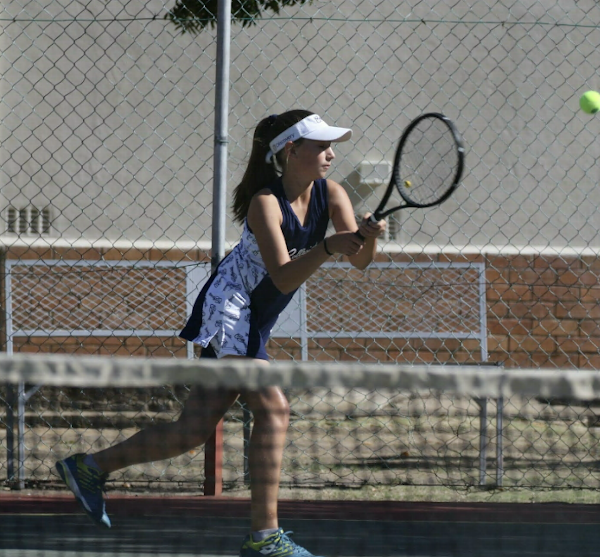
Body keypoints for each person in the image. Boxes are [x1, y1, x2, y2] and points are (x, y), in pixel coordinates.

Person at [55, 110, 386, 557]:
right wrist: (328, 246)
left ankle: (90, 467)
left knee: (191, 430)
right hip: (231, 309)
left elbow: (360, 260)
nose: (330, 153)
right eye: (321, 145)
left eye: (332, 146)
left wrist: (368, 237)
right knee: (274, 408)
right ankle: (264, 538)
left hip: (260, 314)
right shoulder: (264, 203)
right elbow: (285, 277)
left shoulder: (334, 193)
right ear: (290, 152)